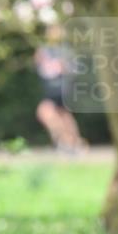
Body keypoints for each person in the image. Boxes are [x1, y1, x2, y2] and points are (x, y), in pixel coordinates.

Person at [34, 25, 87, 154]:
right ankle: (72, 143)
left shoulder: (65, 51)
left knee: (47, 113)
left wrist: (65, 67)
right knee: (61, 116)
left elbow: (77, 69)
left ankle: (66, 142)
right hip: (52, 90)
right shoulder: (44, 51)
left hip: (61, 90)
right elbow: (42, 70)